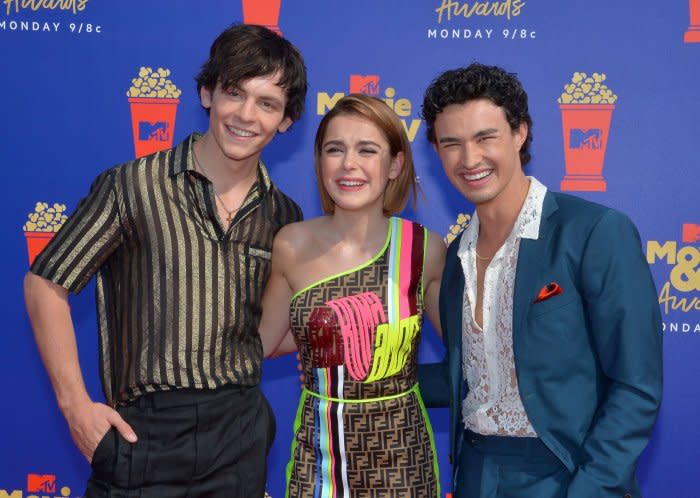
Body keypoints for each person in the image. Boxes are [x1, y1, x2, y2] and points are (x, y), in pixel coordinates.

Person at [23, 24, 307, 497]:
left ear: (286, 122)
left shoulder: (284, 215)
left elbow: (264, 335)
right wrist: (76, 407)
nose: (246, 115)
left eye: (267, 103)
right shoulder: (132, 186)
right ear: (205, 93)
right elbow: (44, 282)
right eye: (234, 93)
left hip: (239, 435)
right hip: (141, 435)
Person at [417, 63, 662, 498]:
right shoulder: (455, 255)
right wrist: (355, 380)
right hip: (474, 471)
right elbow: (473, 374)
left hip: (566, 473)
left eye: (484, 137)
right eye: (451, 143)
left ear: (520, 133)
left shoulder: (592, 232)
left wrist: (591, 488)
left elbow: (635, 385)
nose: (469, 159)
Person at [259, 93, 446, 497]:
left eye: (367, 150)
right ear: (319, 162)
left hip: (403, 461)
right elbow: (265, 342)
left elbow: (468, 354)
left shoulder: (423, 249)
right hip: (320, 456)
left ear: (395, 164)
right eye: (334, 150)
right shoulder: (291, 244)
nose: (349, 164)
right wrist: (326, 343)